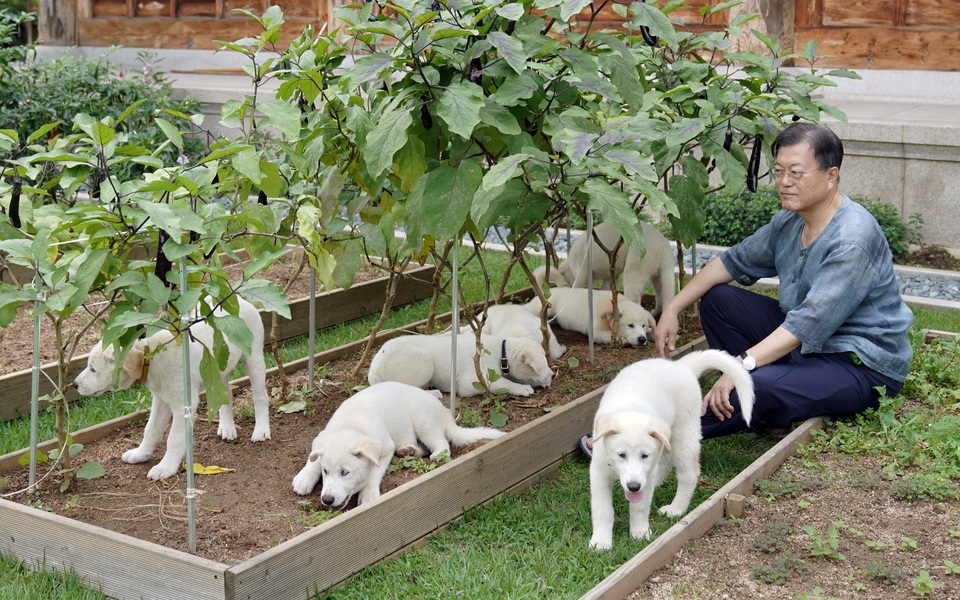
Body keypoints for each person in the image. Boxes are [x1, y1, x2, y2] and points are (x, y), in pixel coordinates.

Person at [579, 122, 913, 455]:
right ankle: (774, 408)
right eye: (779, 170)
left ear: (831, 176)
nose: (784, 182)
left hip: (858, 366)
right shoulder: (790, 221)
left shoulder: (852, 240)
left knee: (757, 385)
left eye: (796, 172)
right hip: (808, 348)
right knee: (717, 300)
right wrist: (672, 307)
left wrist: (740, 366)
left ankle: (641, 437)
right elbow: (729, 264)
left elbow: (806, 325)